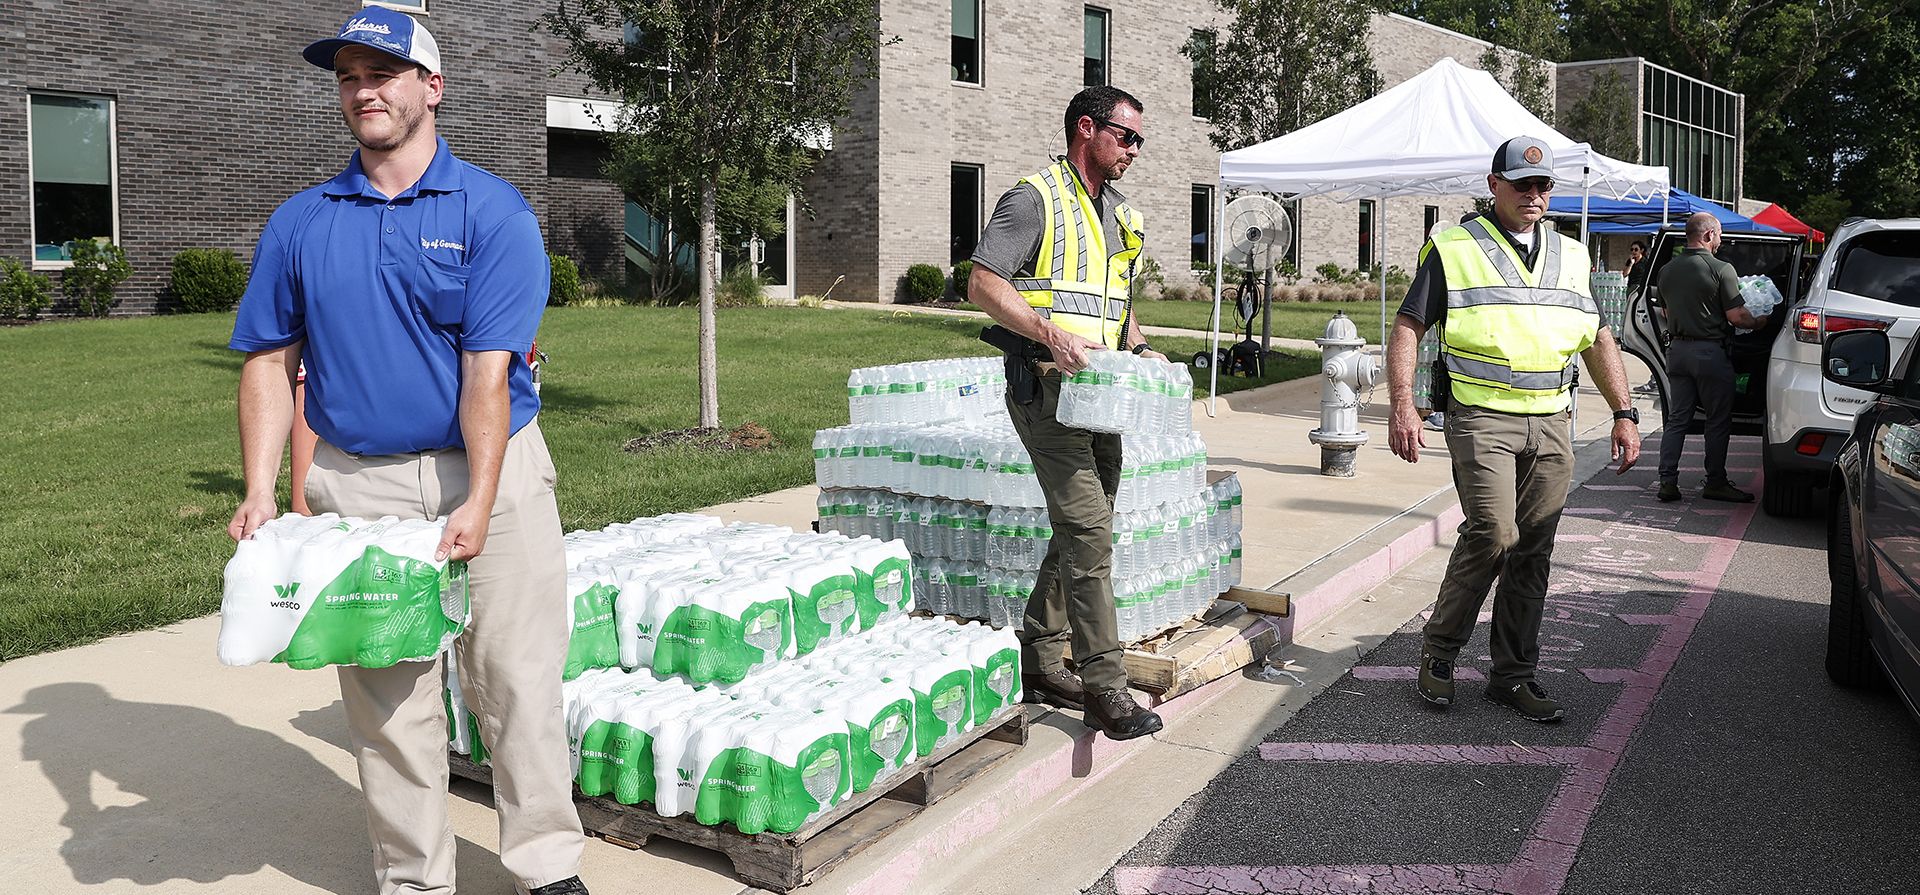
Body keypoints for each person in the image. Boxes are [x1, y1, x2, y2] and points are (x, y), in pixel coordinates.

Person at [224, 9, 588, 895]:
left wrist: (477, 496)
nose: (364, 90)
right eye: (349, 76)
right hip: (361, 487)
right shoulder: (302, 222)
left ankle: (546, 869)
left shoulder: (491, 211)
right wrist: (263, 489)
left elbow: (486, 378)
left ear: (432, 87)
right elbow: (271, 359)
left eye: (382, 74)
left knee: (517, 684)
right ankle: (415, 880)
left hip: (490, 476)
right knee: (389, 702)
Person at [1386, 136, 1642, 723]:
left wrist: (1624, 412)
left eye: (1544, 186)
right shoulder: (1453, 247)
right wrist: (1405, 403)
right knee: (1494, 534)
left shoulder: (1573, 255)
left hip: (1553, 420)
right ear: (1493, 184)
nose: (1535, 195)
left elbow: (1598, 336)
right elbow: (1408, 327)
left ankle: (1513, 676)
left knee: (1534, 548)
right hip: (1481, 417)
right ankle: (1440, 654)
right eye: (1522, 184)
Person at [967, 85, 1164, 741]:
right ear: (1089, 128)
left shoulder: (1119, 214)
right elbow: (983, 282)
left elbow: (1115, 298)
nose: (1135, 149)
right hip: (1045, 387)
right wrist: (1047, 332)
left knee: (1089, 521)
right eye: (1126, 136)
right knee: (1088, 531)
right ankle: (1105, 687)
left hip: (1101, 391)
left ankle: (1041, 654)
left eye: (1139, 139)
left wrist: (1139, 346)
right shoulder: (1034, 197)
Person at [1654, 212, 1767, 503]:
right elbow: (1737, 316)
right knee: (1717, 420)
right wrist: (1760, 322)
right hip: (1709, 353)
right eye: (1718, 235)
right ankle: (1715, 481)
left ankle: (1667, 481)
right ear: (1707, 235)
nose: (1721, 240)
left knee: (1677, 419)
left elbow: (1666, 312)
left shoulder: (1666, 271)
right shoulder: (1721, 269)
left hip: (1676, 352)